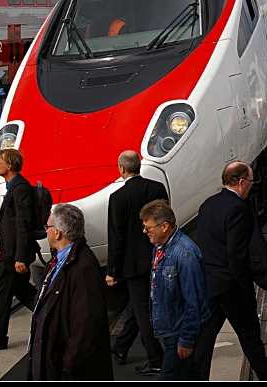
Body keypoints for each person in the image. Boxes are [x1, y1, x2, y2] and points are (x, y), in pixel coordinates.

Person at [195, 162, 267, 380]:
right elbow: (236, 254)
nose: (252, 186)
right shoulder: (238, 209)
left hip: (211, 283)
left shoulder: (207, 204)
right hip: (232, 286)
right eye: (251, 182)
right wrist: (245, 284)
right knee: (250, 335)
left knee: (205, 338)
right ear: (242, 182)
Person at [27, 204, 114, 380]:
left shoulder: (83, 267)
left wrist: (69, 363)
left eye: (48, 227)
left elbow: (87, 324)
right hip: (50, 359)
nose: (46, 231)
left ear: (58, 232)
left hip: (65, 369)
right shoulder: (57, 260)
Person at [106, 150, 168, 375]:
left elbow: (117, 236)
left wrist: (112, 270)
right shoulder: (157, 188)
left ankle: (155, 359)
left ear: (122, 169)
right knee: (138, 306)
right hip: (158, 256)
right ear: (139, 166)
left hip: (133, 264)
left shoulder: (118, 198)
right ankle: (121, 347)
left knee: (143, 311)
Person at [0, 148, 38, 351]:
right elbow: (11, 227)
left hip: (13, 258)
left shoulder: (20, 188)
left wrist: (19, 257)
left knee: (1, 298)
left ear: (9, 166)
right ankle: (54, 315)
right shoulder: (14, 187)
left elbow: (22, 225)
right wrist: (2, 248)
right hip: (9, 253)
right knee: (26, 293)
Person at [139, 200, 210, 380]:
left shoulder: (185, 255)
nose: (144, 231)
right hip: (169, 328)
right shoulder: (160, 247)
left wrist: (186, 339)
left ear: (164, 226)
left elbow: (193, 302)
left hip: (178, 331)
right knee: (190, 374)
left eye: (148, 228)